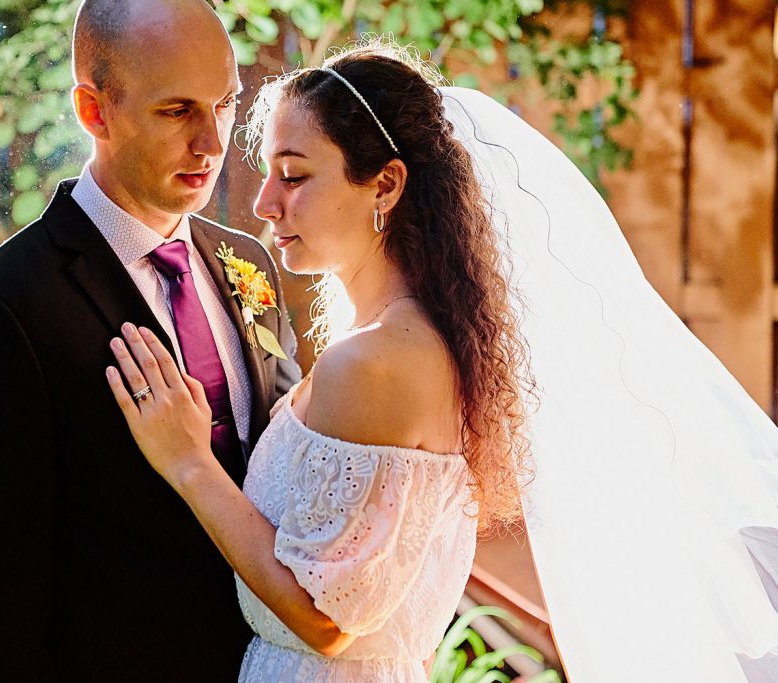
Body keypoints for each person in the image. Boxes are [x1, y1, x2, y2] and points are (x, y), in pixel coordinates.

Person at [107, 39, 778, 683]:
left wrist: (190, 463)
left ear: (385, 185)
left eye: (294, 175)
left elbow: (325, 619)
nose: (264, 202)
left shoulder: (377, 363)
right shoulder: (407, 341)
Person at [0, 0, 300, 680]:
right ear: (94, 111)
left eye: (225, 104)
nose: (211, 143)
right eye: (176, 110)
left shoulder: (251, 266)